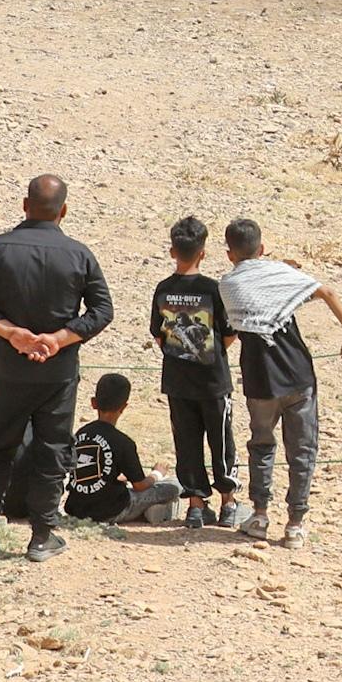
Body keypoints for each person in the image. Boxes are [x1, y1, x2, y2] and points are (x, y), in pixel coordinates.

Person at [0, 174, 114, 563]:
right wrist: (60, 337)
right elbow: (102, 310)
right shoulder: (79, 254)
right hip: (57, 374)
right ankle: (42, 535)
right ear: (64, 211)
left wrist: (10, 332)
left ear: (25, 206)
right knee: (52, 449)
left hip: (9, 369)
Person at [213, 218, 342, 547]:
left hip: (260, 380)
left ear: (229, 254)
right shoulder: (279, 274)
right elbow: (327, 292)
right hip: (298, 376)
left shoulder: (228, 285)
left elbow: (236, 326)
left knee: (261, 446)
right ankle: (295, 524)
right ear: (262, 248)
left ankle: (260, 515)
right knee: (302, 450)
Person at [149, 217, 240, 531]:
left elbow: (158, 334)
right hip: (213, 380)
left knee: (186, 443)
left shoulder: (163, 289)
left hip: (178, 379)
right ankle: (228, 503)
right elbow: (229, 333)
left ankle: (196, 507)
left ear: (172, 251)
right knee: (221, 441)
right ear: (203, 252)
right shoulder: (213, 289)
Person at [63, 372, 183, 526]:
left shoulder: (81, 434)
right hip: (111, 510)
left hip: (76, 508)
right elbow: (139, 485)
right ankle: (155, 511)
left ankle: (150, 511)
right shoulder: (123, 442)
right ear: (124, 407)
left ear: (93, 403)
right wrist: (157, 474)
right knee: (175, 485)